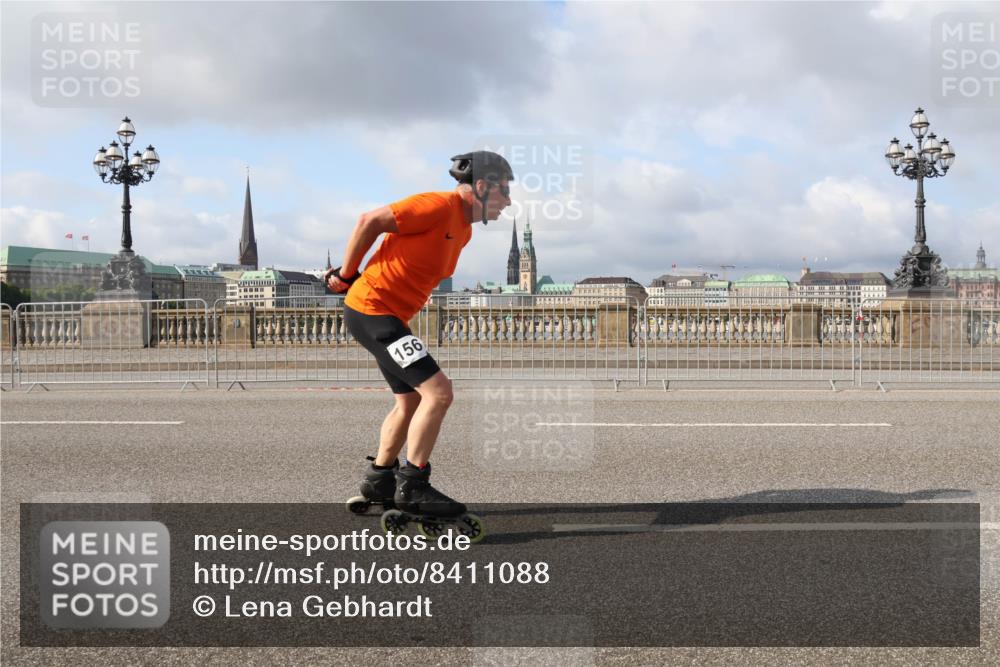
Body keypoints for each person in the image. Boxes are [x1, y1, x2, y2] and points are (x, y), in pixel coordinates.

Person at [328, 151, 514, 517]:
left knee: (411, 400)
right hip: (373, 310)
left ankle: (379, 478)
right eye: (504, 191)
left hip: (388, 318)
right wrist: (348, 274)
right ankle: (413, 485)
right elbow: (370, 220)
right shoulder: (437, 205)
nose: (508, 201)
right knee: (439, 393)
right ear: (480, 186)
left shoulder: (464, 230)